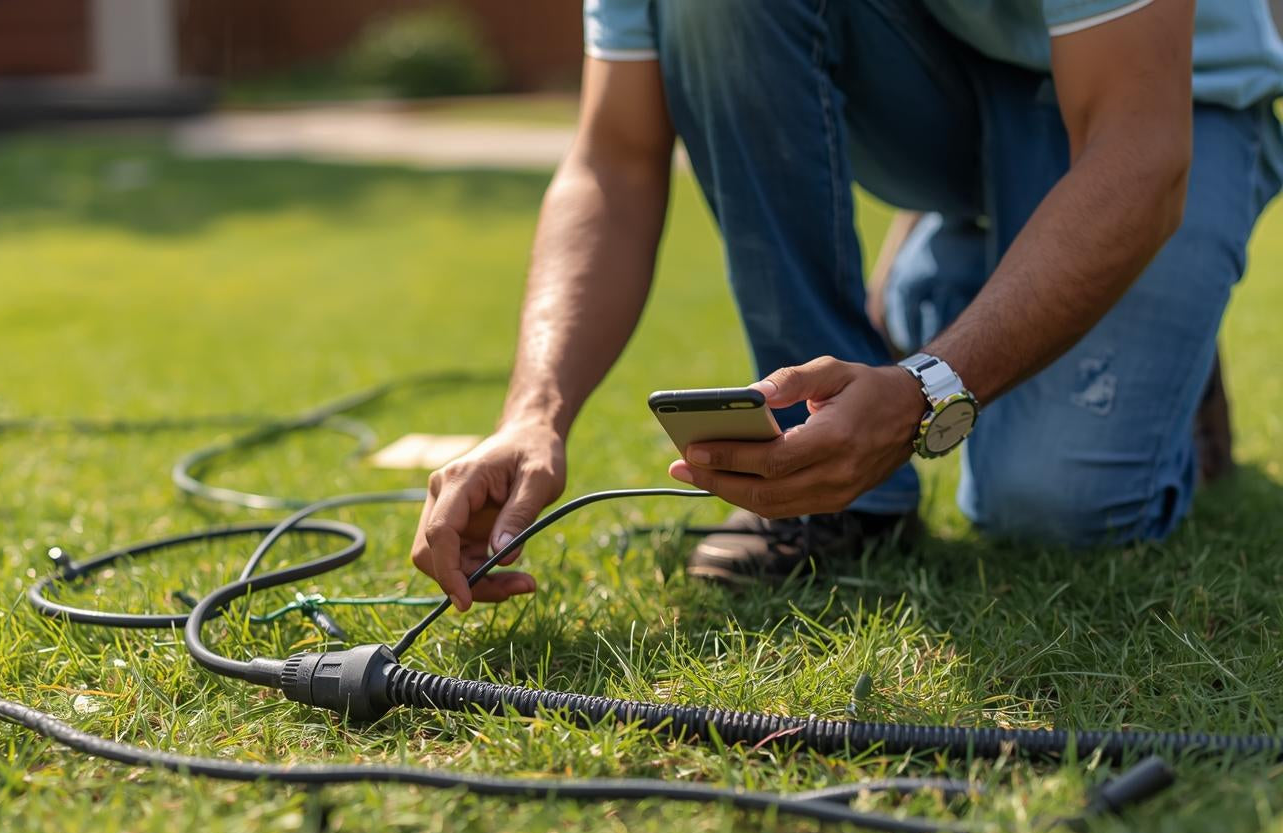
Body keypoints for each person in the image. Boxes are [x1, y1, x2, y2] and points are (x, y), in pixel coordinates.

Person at [412, 0, 1283, 609]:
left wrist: (928, 388)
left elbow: (1141, 148)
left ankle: (1086, 286)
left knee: (1049, 508)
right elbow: (616, 158)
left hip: (1168, 108)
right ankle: (846, 506)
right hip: (942, 87)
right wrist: (534, 412)